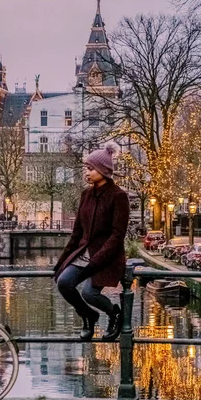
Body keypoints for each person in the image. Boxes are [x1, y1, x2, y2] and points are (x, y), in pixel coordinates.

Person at [53, 142, 129, 342]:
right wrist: (62, 261)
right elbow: (78, 231)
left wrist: (97, 261)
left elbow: (117, 235)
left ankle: (115, 314)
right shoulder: (86, 194)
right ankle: (88, 315)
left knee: (89, 293)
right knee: (64, 283)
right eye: (87, 168)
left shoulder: (119, 196)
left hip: (107, 257)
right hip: (84, 253)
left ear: (103, 171)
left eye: (90, 168)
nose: (87, 172)